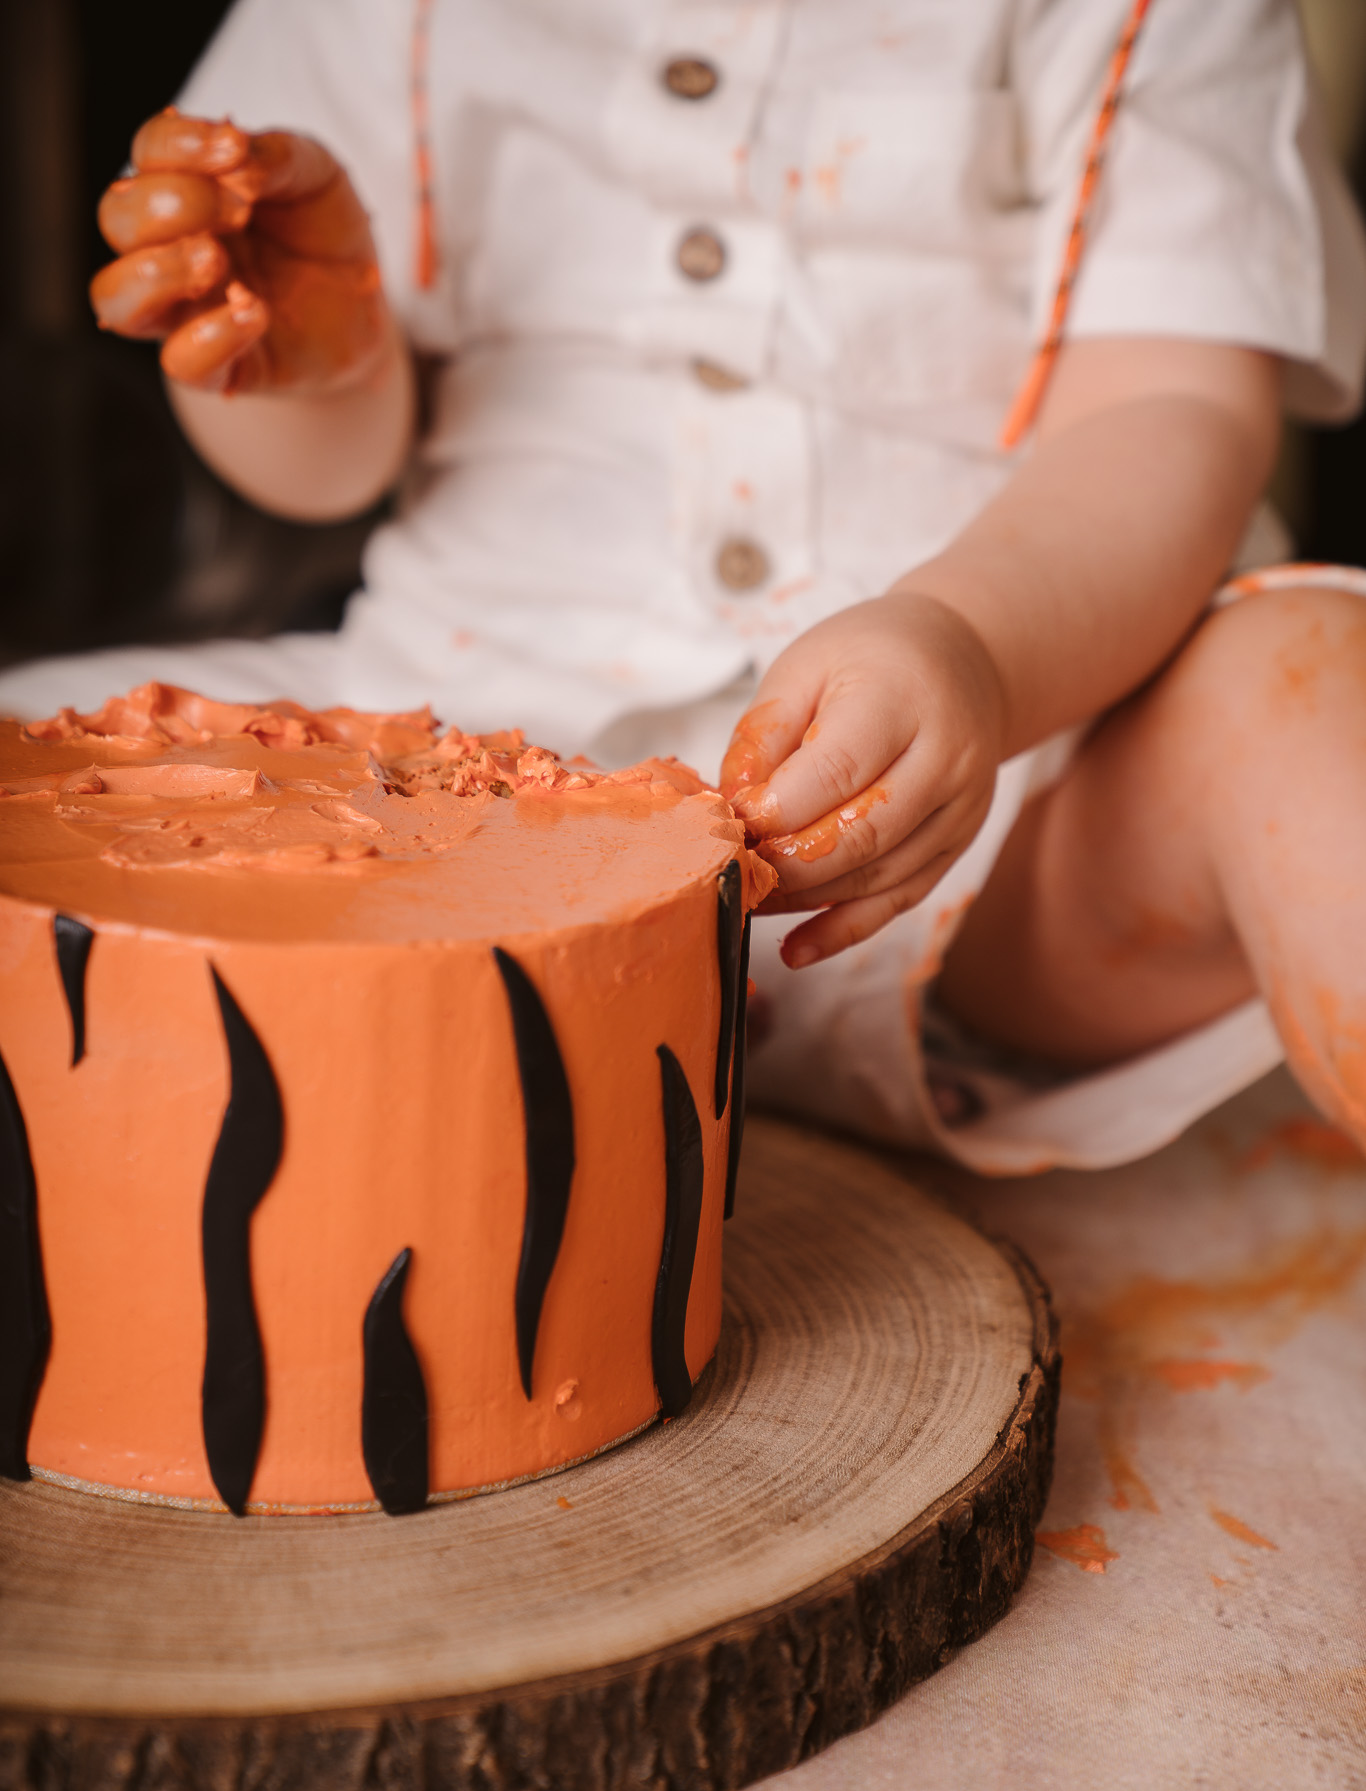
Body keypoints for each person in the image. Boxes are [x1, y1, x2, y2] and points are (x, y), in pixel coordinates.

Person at [7, 0, 1366, 1174]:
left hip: (981, 828)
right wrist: (311, 364)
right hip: (429, 774)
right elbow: (319, 473)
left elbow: (1172, 401)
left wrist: (978, 649)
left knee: (1309, 693)